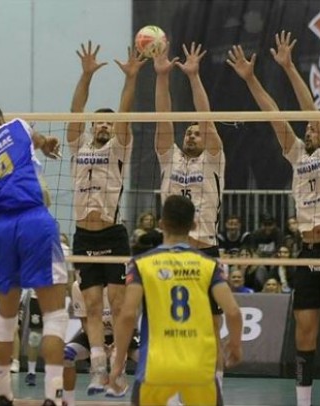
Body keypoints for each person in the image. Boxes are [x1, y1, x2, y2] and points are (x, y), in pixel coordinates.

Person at [227, 31, 320, 406]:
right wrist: (251, 79)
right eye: (308, 128)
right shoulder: (298, 154)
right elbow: (273, 116)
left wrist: (288, 67)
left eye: (316, 125)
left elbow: (310, 111)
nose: (310, 127)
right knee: (304, 334)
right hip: (307, 252)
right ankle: (302, 403)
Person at [0, 101, 69, 406]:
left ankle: (1, 393)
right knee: (54, 316)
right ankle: (53, 394)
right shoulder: (17, 126)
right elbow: (41, 141)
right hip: (35, 219)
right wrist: (46, 145)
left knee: (6, 320)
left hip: (1, 230)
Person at [108, 195, 243, 405]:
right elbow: (233, 312)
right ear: (194, 225)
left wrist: (118, 362)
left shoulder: (142, 263)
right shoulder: (208, 264)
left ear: (161, 224)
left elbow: (127, 315)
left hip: (156, 366)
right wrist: (235, 345)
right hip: (199, 367)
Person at [66, 41, 145, 396]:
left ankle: (118, 370)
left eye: (107, 123)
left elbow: (125, 113)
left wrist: (130, 79)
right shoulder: (77, 146)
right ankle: (98, 368)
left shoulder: (119, 147)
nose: (102, 125)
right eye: (98, 121)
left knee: (117, 305)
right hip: (84, 238)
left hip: (112, 235)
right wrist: (85, 75)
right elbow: (75, 109)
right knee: (93, 307)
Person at [154, 42, 228, 384]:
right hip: (170, 254)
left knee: (212, 327)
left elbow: (207, 120)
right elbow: (163, 118)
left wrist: (195, 78)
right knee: (173, 328)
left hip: (206, 250)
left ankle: (215, 386)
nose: (193, 134)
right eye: (190, 131)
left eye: (198, 132)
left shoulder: (213, 159)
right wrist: (162, 78)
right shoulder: (170, 158)